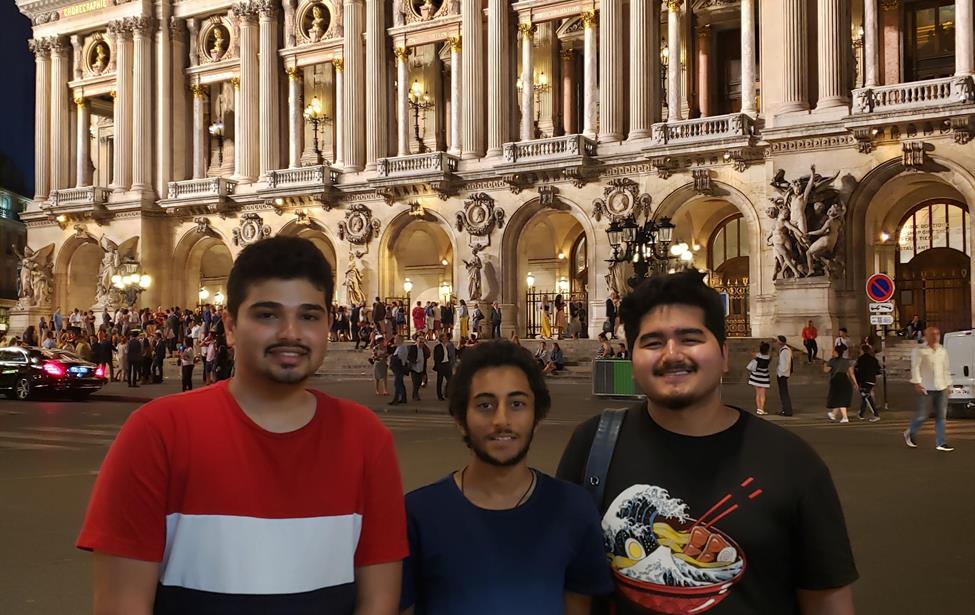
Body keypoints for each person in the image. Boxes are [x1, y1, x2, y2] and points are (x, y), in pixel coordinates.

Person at [76, 236, 407, 613]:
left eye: (309, 316)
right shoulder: (156, 432)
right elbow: (122, 606)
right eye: (267, 314)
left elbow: (378, 602)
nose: (291, 333)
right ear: (230, 327)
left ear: (328, 325)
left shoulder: (367, 437)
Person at [556, 271, 858, 615]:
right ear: (632, 360)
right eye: (652, 342)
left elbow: (827, 600)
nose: (672, 354)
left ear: (724, 355)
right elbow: (571, 588)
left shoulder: (793, 462)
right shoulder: (592, 444)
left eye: (690, 338)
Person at [401, 341, 614, 615]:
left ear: (537, 416)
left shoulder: (574, 509)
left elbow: (578, 606)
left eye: (517, 404)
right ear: (460, 419)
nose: (502, 419)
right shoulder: (418, 514)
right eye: (485, 404)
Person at [905, 326, 954, 451]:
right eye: (932, 334)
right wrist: (916, 382)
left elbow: (946, 368)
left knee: (941, 416)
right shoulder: (920, 350)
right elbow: (915, 367)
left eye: (937, 334)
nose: (935, 336)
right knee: (922, 415)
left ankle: (941, 442)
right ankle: (910, 432)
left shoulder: (942, 350)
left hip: (941, 386)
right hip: (926, 387)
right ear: (926, 336)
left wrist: (949, 384)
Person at [852, 344, 881, 422]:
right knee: (865, 396)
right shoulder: (874, 359)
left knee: (867, 397)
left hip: (864, 380)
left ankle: (876, 414)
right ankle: (861, 413)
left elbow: (857, 372)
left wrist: (857, 383)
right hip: (872, 380)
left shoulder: (860, 359)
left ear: (862, 350)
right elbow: (878, 370)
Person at [825, 347, 854, 423]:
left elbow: (826, 370)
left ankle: (845, 417)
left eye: (833, 351)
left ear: (836, 353)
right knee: (840, 398)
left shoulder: (832, 361)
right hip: (845, 380)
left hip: (836, 381)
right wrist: (855, 383)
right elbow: (851, 373)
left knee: (840, 399)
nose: (832, 353)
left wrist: (825, 364)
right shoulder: (846, 361)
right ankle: (833, 414)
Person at [746, 341, 772, 415]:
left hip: (755, 376)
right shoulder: (769, 357)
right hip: (764, 377)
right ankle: (762, 409)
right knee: (763, 394)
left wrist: (754, 349)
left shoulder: (756, 355)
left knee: (757, 394)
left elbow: (751, 353)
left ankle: (758, 409)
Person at [433, 333, 456, 401]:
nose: (446, 339)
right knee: (439, 381)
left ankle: (447, 393)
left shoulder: (446, 346)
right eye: (445, 338)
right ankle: (439, 395)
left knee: (450, 379)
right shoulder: (438, 347)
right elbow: (436, 357)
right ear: (442, 339)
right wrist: (438, 365)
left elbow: (449, 354)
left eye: (446, 338)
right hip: (441, 365)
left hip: (447, 364)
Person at [774, 335, 794, 416]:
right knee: (783, 393)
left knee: (784, 393)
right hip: (783, 374)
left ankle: (787, 411)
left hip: (782, 374)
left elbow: (785, 364)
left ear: (780, 342)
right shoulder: (784, 350)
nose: (776, 343)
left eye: (777, 341)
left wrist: (780, 372)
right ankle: (785, 409)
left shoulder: (785, 351)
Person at [389, 335, 409, 405]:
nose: (394, 340)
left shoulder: (402, 347)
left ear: (400, 340)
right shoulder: (399, 347)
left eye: (396, 339)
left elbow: (400, 358)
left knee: (397, 383)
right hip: (398, 368)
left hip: (399, 368)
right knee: (400, 383)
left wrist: (393, 358)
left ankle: (396, 399)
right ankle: (403, 398)